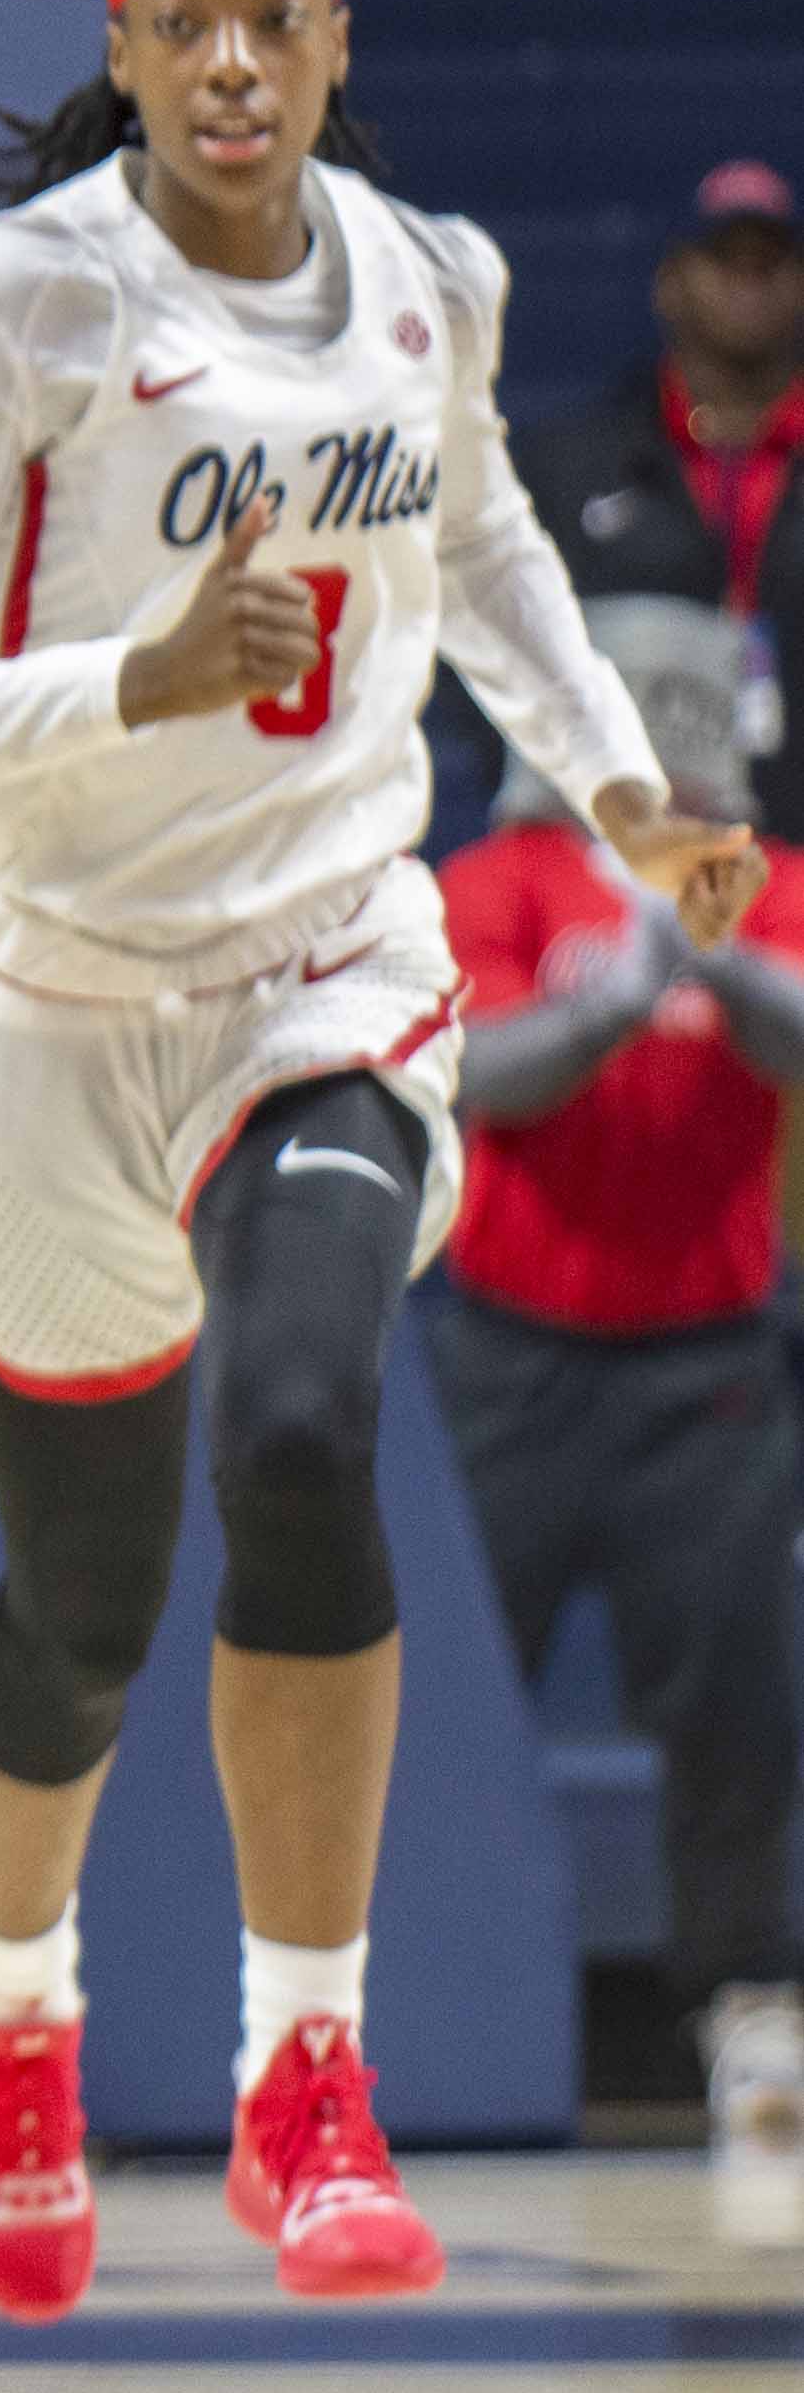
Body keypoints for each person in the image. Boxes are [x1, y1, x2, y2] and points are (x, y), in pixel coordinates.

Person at [0, 0, 764, 2325]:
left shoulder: (423, 279)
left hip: (322, 949)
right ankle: (2, 1999)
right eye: (176, 24)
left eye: (268, 21)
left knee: (307, 1418)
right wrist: (125, 670)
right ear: (118, 57)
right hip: (41, 989)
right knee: (76, 1606)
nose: (226, 60)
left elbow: (483, 542)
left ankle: (297, 2067)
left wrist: (616, 785)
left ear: (330, 51)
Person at [434, 626, 804, 2154]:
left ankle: (743, 2001)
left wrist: (719, 962)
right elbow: (469, 1068)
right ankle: (392, 2003)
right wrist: (600, 1006)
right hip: (507, 1355)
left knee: (734, 1699)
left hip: (703, 1365)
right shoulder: (496, 882)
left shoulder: (765, 881)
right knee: (437, 1694)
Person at [514, 163, 804, 831]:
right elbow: (495, 638)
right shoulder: (569, 465)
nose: (748, 282)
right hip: (621, 852)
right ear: (669, 283)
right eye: (724, 260)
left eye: (771, 263)